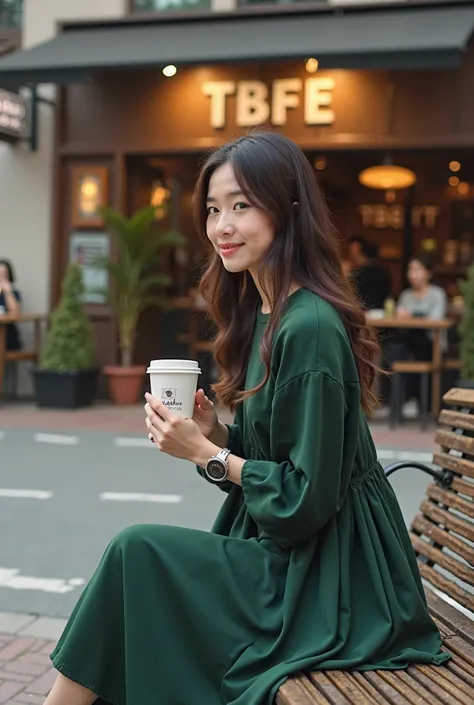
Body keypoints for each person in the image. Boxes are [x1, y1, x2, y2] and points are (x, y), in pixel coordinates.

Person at [45, 133, 448, 705]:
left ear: (288, 210)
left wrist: (206, 455)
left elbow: (306, 500)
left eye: (241, 205)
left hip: (335, 580)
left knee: (138, 553)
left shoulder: (307, 325)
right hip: (299, 555)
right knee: (139, 563)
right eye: (213, 209)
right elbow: (283, 458)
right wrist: (217, 435)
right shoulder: (265, 310)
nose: (221, 226)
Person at [351, 240, 391, 310]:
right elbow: (387, 291)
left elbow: (356, 294)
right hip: (381, 310)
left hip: (364, 310)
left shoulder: (358, 272)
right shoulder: (384, 271)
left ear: (364, 254)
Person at [0, 259, 22, 350]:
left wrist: (8, 292)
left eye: (4, 274)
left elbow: (15, 313)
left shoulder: (14, 293)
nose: (1, 277)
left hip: (8, 338)